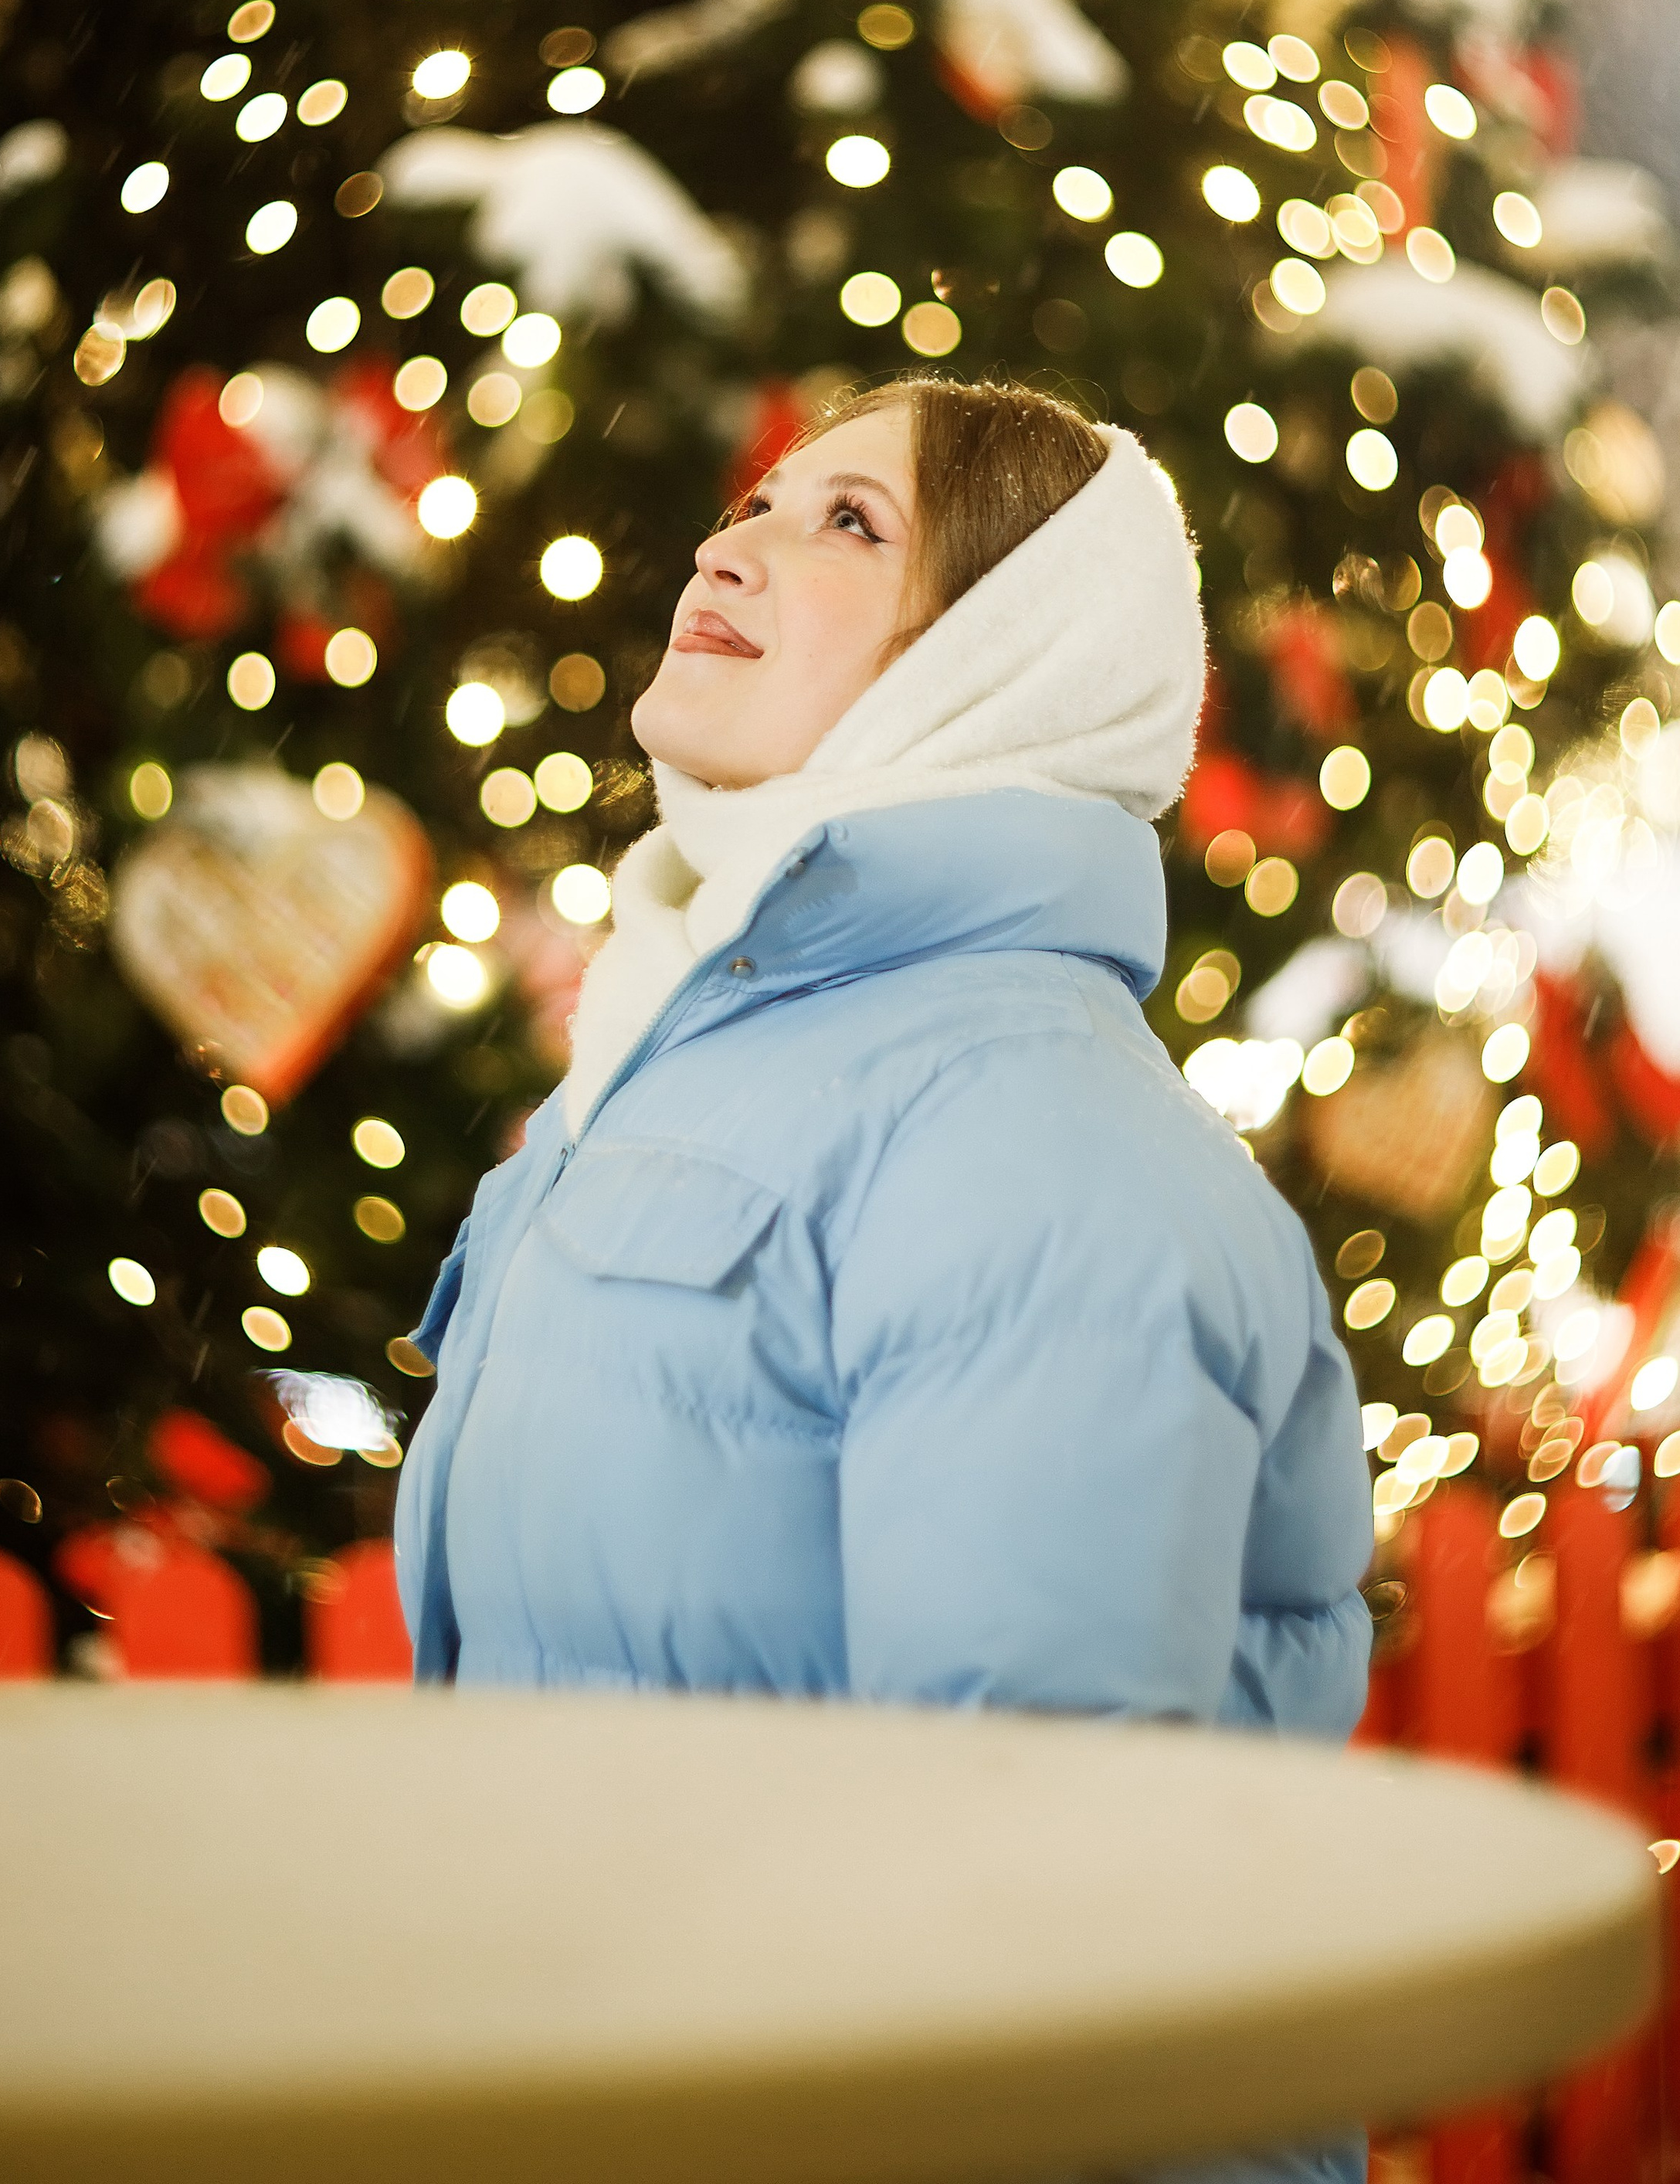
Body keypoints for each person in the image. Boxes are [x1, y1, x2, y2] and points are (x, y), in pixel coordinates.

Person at [395, 375, 1374, 2184]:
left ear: (1007, 654)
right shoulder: (692, 1042)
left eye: (847, 522)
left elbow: (1037, 1922)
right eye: (757, 499)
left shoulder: (1024, 1133)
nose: (732, 544)